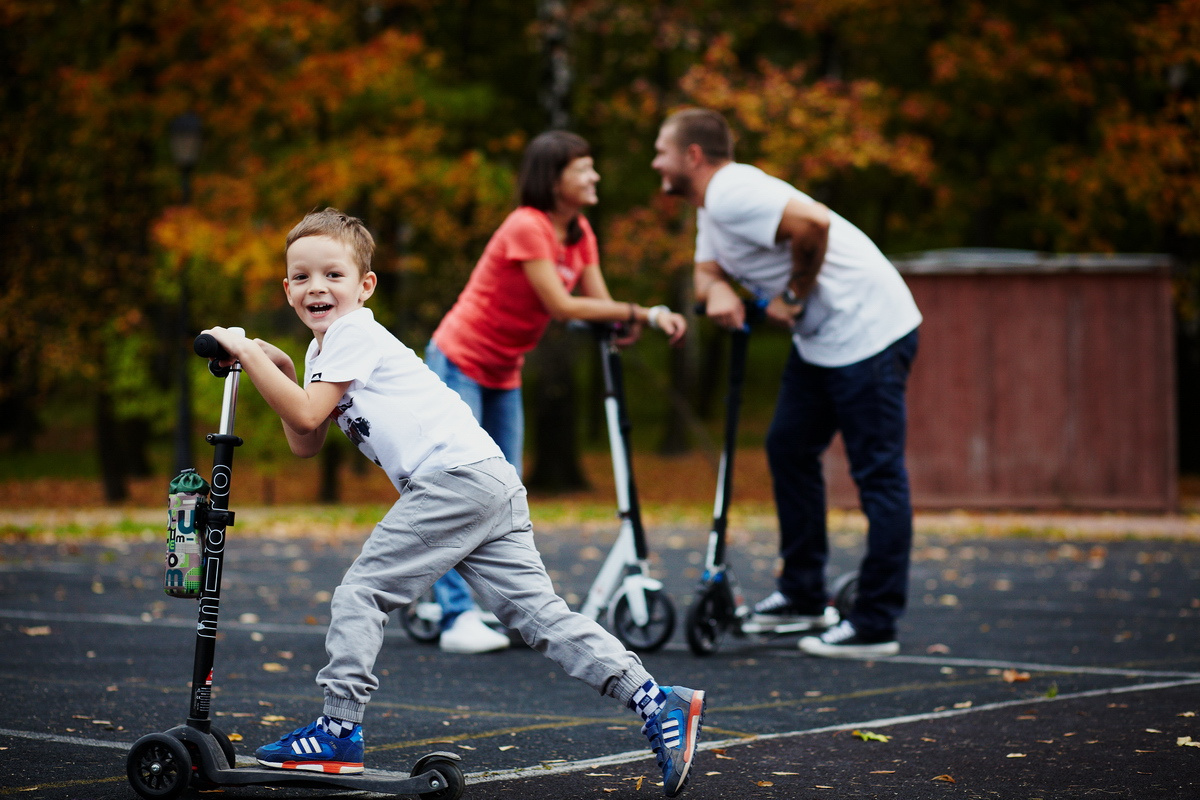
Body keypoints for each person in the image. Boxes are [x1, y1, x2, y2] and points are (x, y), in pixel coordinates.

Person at [200, 208, 705, 797]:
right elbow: (306, 439)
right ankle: (657, 701)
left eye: (334, 275)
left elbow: (309, 413)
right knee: (540, 617)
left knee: (361, 592)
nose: (318, 287)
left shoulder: (354, 332)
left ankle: (338, 729)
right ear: (287, 290)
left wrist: (246, 350)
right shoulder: (322, 355)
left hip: (452, 479)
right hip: (487, 479)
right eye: (304, 277)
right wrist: (278, 364)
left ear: (364, 287)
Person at [651, 109, 921, 658]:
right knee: (788, 448)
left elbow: (814, 223)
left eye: (662, 150)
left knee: (877, 474)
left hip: (869, 331)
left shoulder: (732, 190)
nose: (655, 161)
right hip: (823, 343)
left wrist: (793, 296)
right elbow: (705, 273)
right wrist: (717, 292)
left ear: (693, 157)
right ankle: (802, 596)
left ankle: (875, 624)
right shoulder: (712, 210)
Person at [425, 130, 687, 654]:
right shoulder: (528, 225)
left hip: (503, 370)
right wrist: (644, 313)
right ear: (555, 177)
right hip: (460, 360)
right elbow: (564, 306)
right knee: (461, 488)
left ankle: (498, 607)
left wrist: (618, 320)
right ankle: (455, 615)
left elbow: (598, 302)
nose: (594, 176)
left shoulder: (579, 232)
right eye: (583, 168)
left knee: (503, 492)